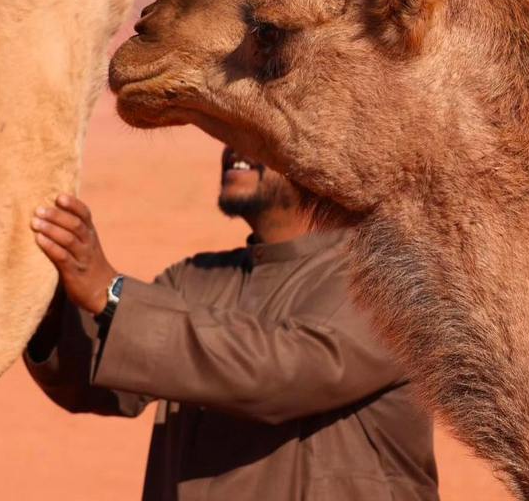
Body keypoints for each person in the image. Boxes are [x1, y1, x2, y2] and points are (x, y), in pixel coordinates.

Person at [25, 147, 440, 500]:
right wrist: (42, 288)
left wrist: (110, 294)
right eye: (229, 131)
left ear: (324, 157)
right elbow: (95, 380)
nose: (232, 144)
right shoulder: (194, 279)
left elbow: (282, 372)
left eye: (254, 132)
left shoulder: (385, 280)